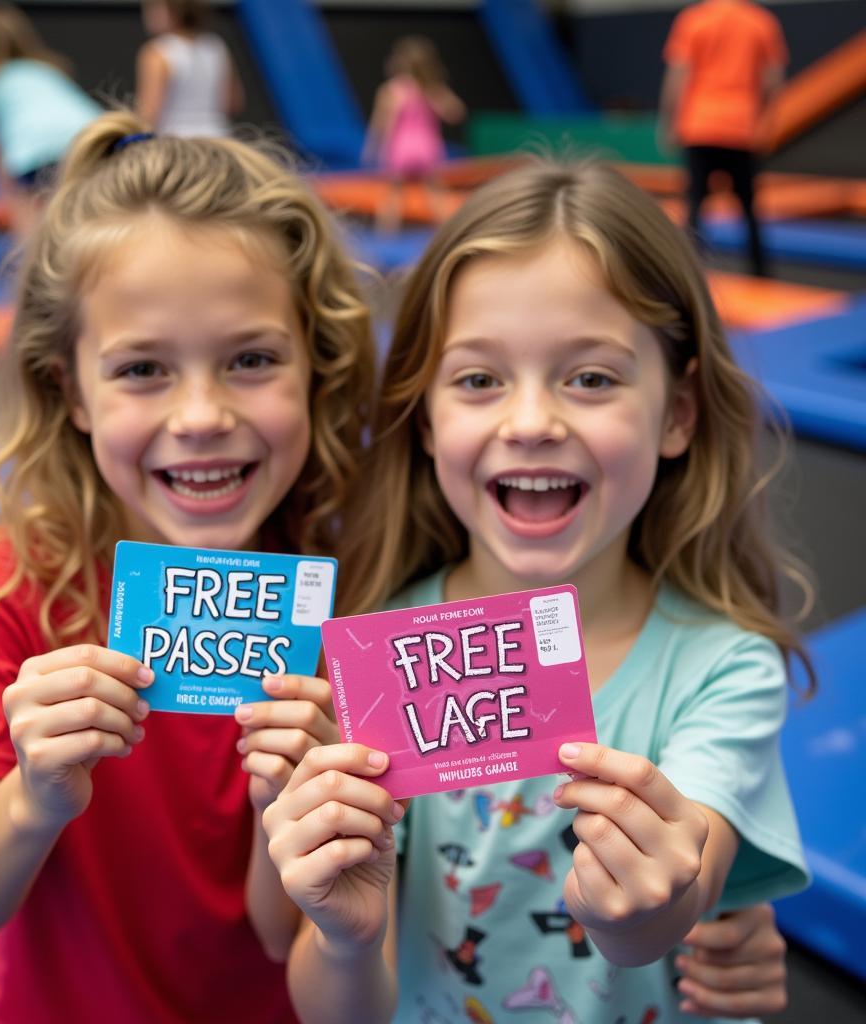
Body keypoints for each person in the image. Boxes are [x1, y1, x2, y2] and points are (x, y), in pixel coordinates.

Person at [259, 160, 812, 1023]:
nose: (528, 423)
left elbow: (674, 901)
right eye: (479, 379)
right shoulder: (372, 653)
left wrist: (649, 909)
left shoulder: (722, 670)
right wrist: (348, 937)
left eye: (590, 378)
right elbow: (335, 1009)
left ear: (678, 412)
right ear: (428, 413)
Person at [0, 110, 376, 1023]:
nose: (200, 413)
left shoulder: (351, 591)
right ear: (67, 390)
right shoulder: (10, 589)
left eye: (251, 360)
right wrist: (33, 800)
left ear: (316, 367)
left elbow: (300, 940)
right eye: (143, 370)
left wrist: (307, 812)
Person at [0, 2, 102, 237]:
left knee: (32, 220)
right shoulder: (45, 69)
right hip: (93, 139)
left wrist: (9, 200)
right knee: (92, 213)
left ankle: (33, 263)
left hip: (39, 155)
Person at [658, 0, 788, 277]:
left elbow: (678, 76)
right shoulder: (760, 21)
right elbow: (773, 80)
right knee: (749, 208)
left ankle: (690, 273)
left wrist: (669, 122)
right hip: (742, 127)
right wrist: (764, 124)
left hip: (699, 124)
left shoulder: (694, 19)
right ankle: (760, 273)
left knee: (695, 205)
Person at [363, 36, 465, 234]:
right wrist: (436, 92)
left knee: (392, 194)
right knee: (436, 192)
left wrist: (374, 148)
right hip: (427, 146)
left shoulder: (393, 89)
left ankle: (385, 237)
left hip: (402, 148)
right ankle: (447, 229)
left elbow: (383, 124)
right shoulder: (430, 88)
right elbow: (456, 113)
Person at [135, 0, 244, 139]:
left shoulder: (157, 52)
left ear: (169, 11)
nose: (147, 15)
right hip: (218, 141)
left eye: (153, 7)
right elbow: (233, 103)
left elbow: (149, 114)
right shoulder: (216, 46)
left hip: (176, 145)